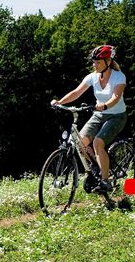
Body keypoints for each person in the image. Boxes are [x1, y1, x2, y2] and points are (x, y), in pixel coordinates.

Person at [50, 45, 127, 193]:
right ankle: (96, 167)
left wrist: (105, 105)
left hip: (117, 116)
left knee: (98, 142)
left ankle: (106, 181)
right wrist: (60, 102)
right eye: (93, 62)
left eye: (98, 62)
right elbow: (76, 92)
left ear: (108, 61)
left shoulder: (119, 77)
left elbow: (116, 97)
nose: (94, 65)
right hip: (99, 115)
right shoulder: (92, 77)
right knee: (80, 143)